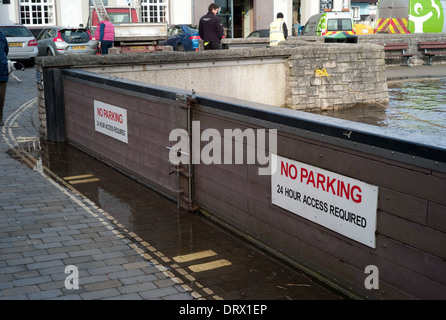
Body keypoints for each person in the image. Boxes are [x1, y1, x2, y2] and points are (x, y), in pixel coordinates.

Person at [0, 29, 8, 127]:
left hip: (2, 71)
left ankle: (0, 118)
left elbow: (6, 50)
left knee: (1, 98)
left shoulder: (1, 36)